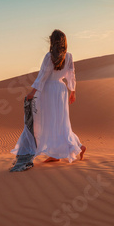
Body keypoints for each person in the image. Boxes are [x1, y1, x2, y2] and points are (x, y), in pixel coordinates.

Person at [11, 29, 86, 163]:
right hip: (61, 91)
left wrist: (32, 92)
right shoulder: (69, 56)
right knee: (60, 122)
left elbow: (42, 76)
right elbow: (71, 75)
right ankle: (78, 146)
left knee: (46, 121)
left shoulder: (49, 56)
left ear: (53, 41)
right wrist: (73, 91)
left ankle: (55, 154)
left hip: (48, 91)